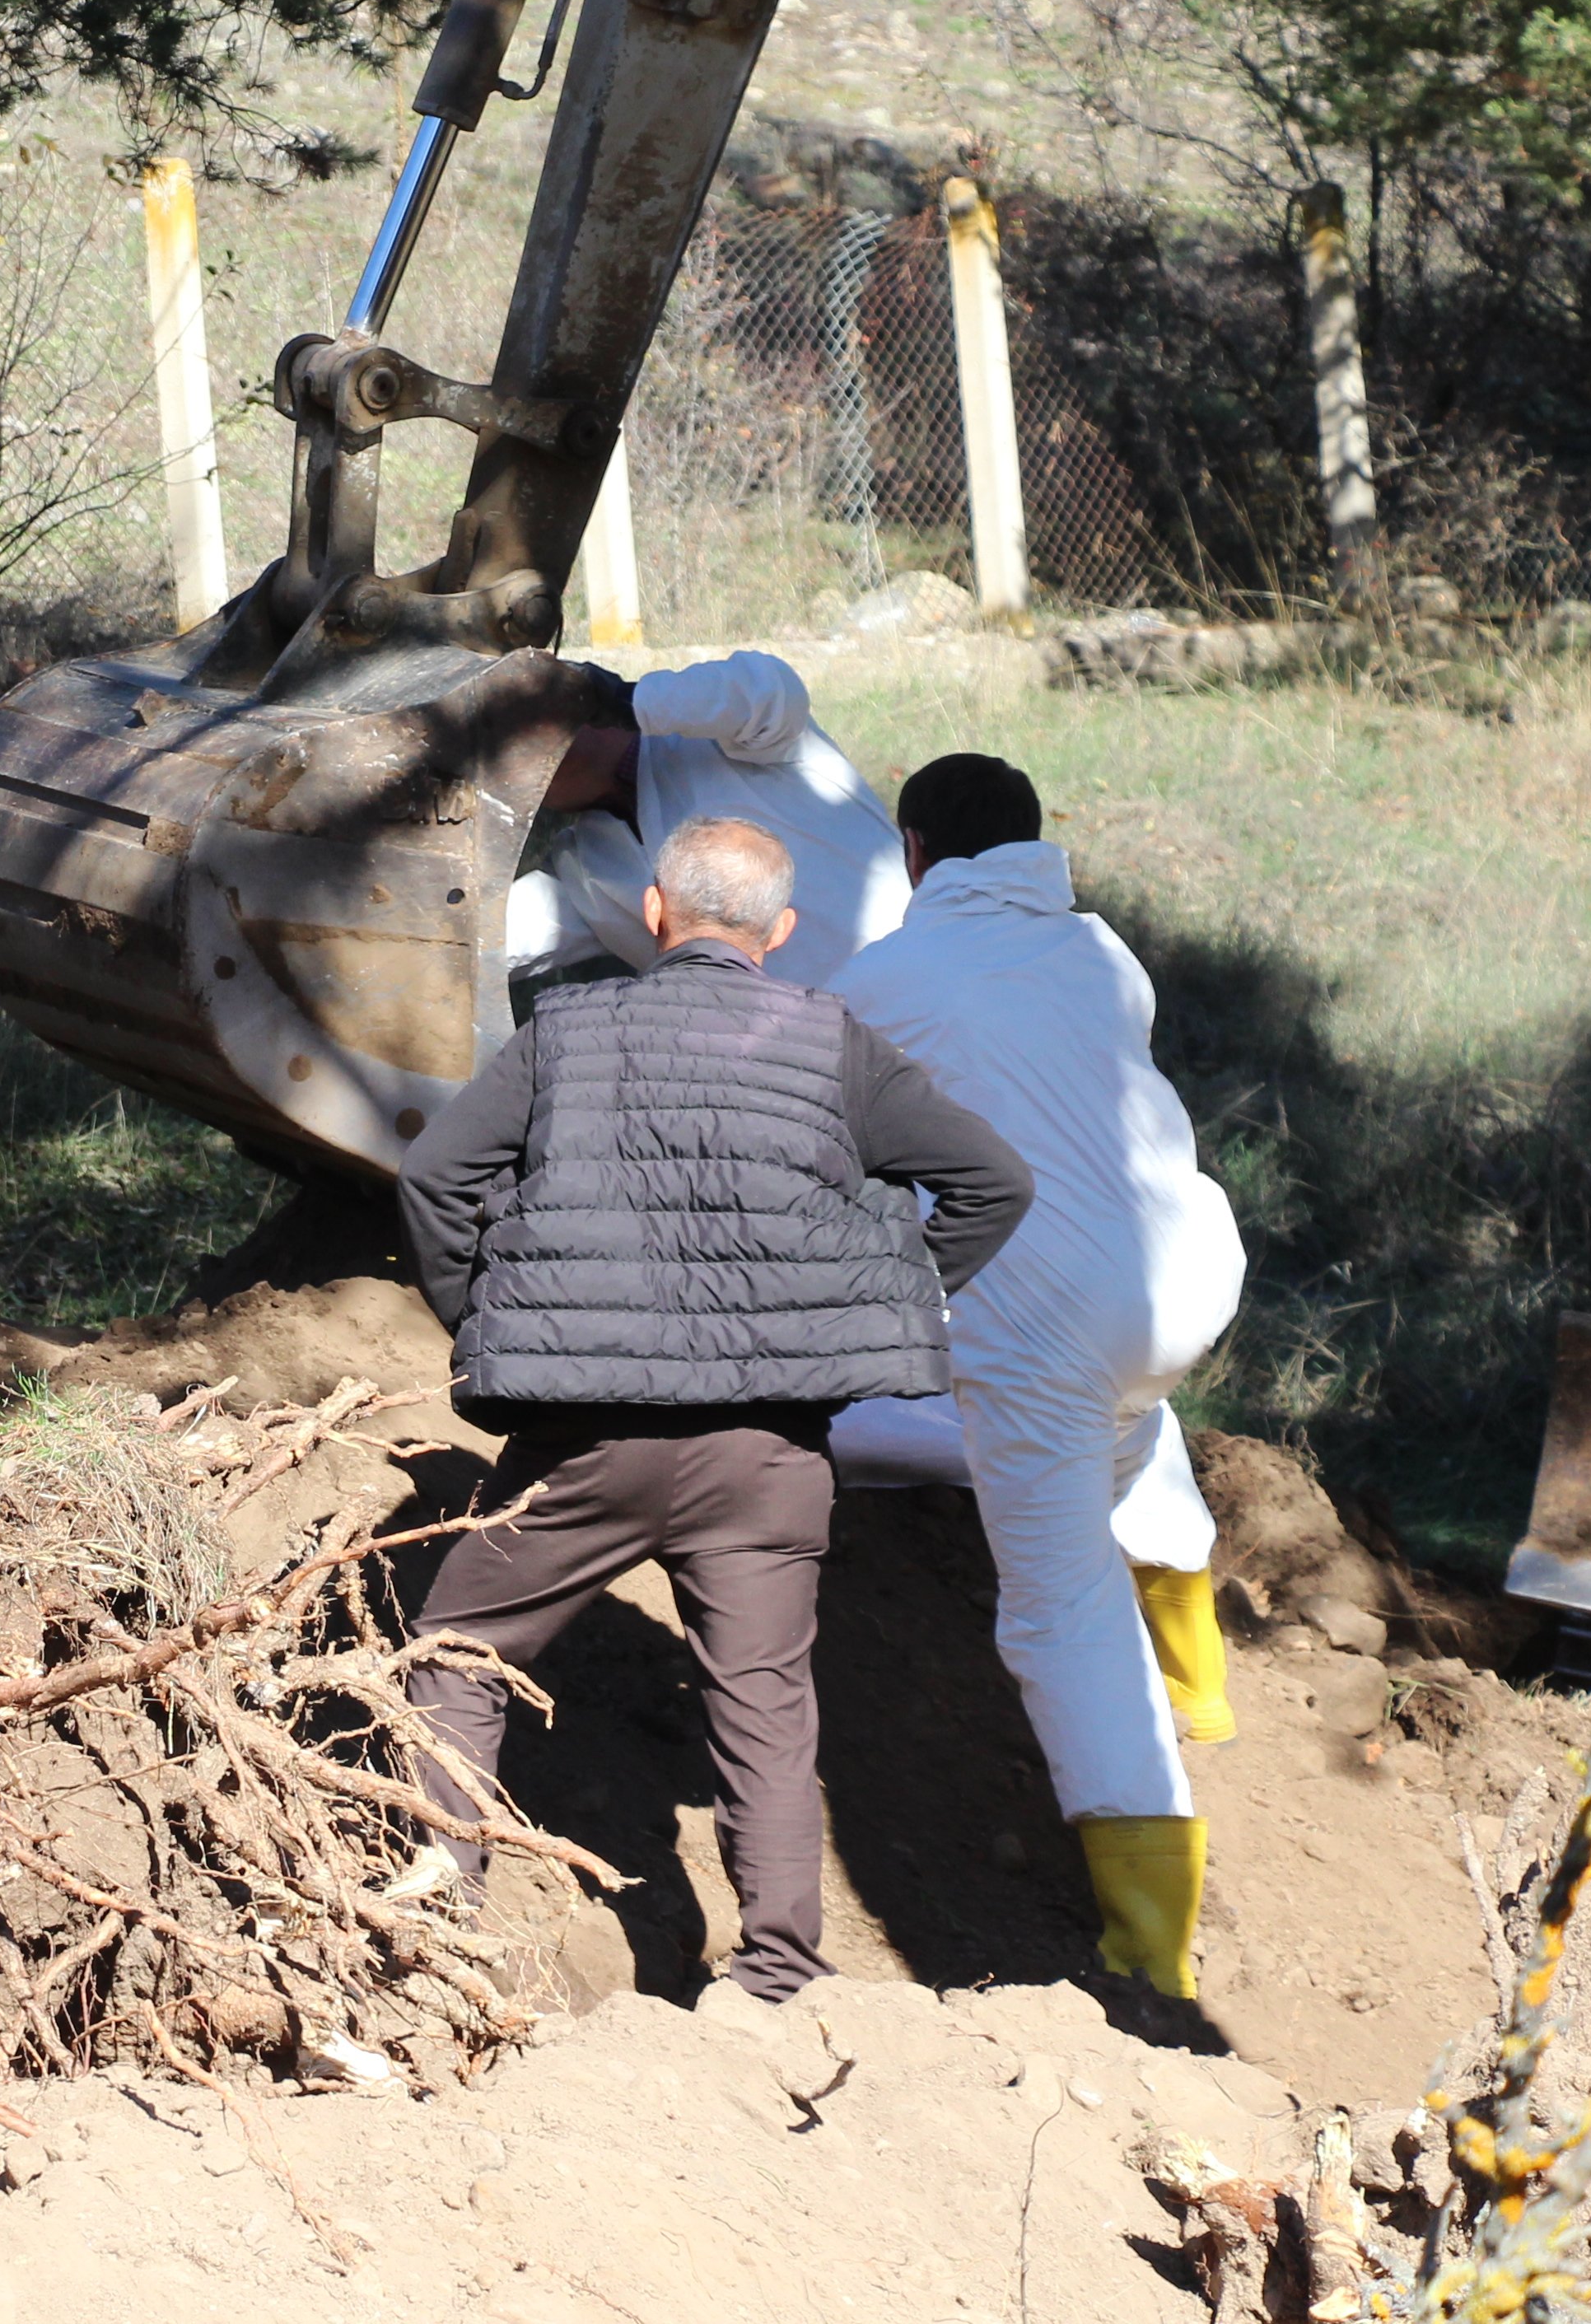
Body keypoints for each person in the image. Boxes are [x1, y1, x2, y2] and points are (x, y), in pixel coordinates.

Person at [393, 815, 1033, 2006]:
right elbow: (994, 1181)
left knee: (455, 1657)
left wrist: (484, 1312)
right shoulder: (838, 1044)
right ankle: (777, 1979)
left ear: (654, 912)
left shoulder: (566, 1033)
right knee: (768, 1710)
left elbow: (438, 1176)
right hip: (768, 1453)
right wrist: (880, 1294)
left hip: (588, 1440)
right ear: (781, 932)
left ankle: (442, 1934)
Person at [823, 752, 1248, 2001]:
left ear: (912, 854)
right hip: (1185, 1279)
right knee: (1126, 1430)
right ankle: (1202, 1678)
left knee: (1060, 1608)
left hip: (1052, 1317)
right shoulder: (1106, 954)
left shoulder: (884, 981)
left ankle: (1152, 1948)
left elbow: (822, 1130)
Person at [509, 651, 909, 987]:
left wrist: (623, 700)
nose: (530, 751)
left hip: (922, 994)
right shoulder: (584, 869)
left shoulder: (732, 739)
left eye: (540, 724)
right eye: (503, 756)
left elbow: (767, 689)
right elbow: (488, 937)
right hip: (803, 1063)